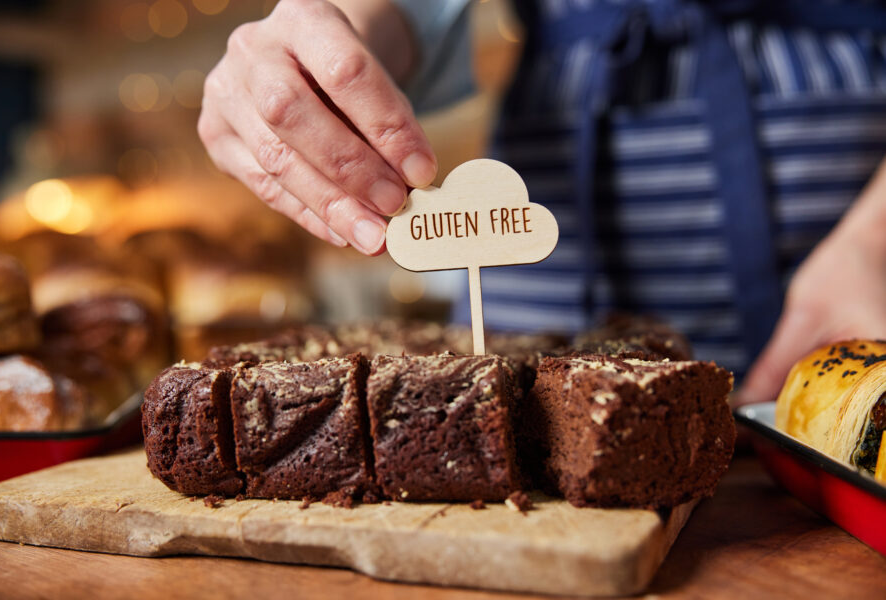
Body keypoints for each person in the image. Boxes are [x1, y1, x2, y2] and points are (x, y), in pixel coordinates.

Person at [198, 0, 886, 405]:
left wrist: (872, 246)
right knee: (498, 409)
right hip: (547, 236)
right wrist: (330, 44)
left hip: (854, 267)